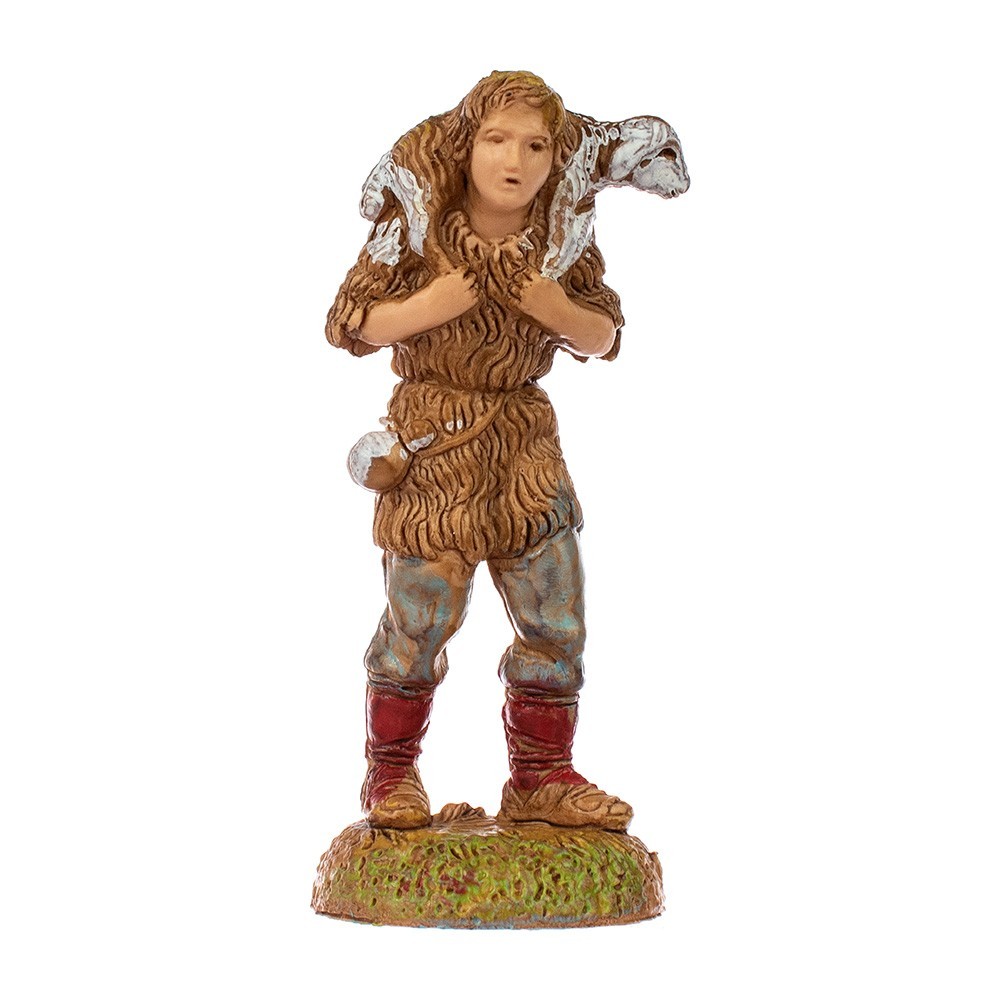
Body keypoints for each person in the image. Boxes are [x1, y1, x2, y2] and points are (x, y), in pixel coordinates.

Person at [326, 71, 635, 831]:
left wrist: (552, 305)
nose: (515, 160)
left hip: (523, 445)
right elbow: (350, 321)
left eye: (536, 145)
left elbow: (604, 334)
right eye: (497, 139)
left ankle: (542, 775)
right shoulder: (417, 224)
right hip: (437, 441)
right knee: (419, 615)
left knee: (556, 615)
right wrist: (428, 306)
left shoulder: (561, 240)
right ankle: (391, 775)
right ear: (466, 147)